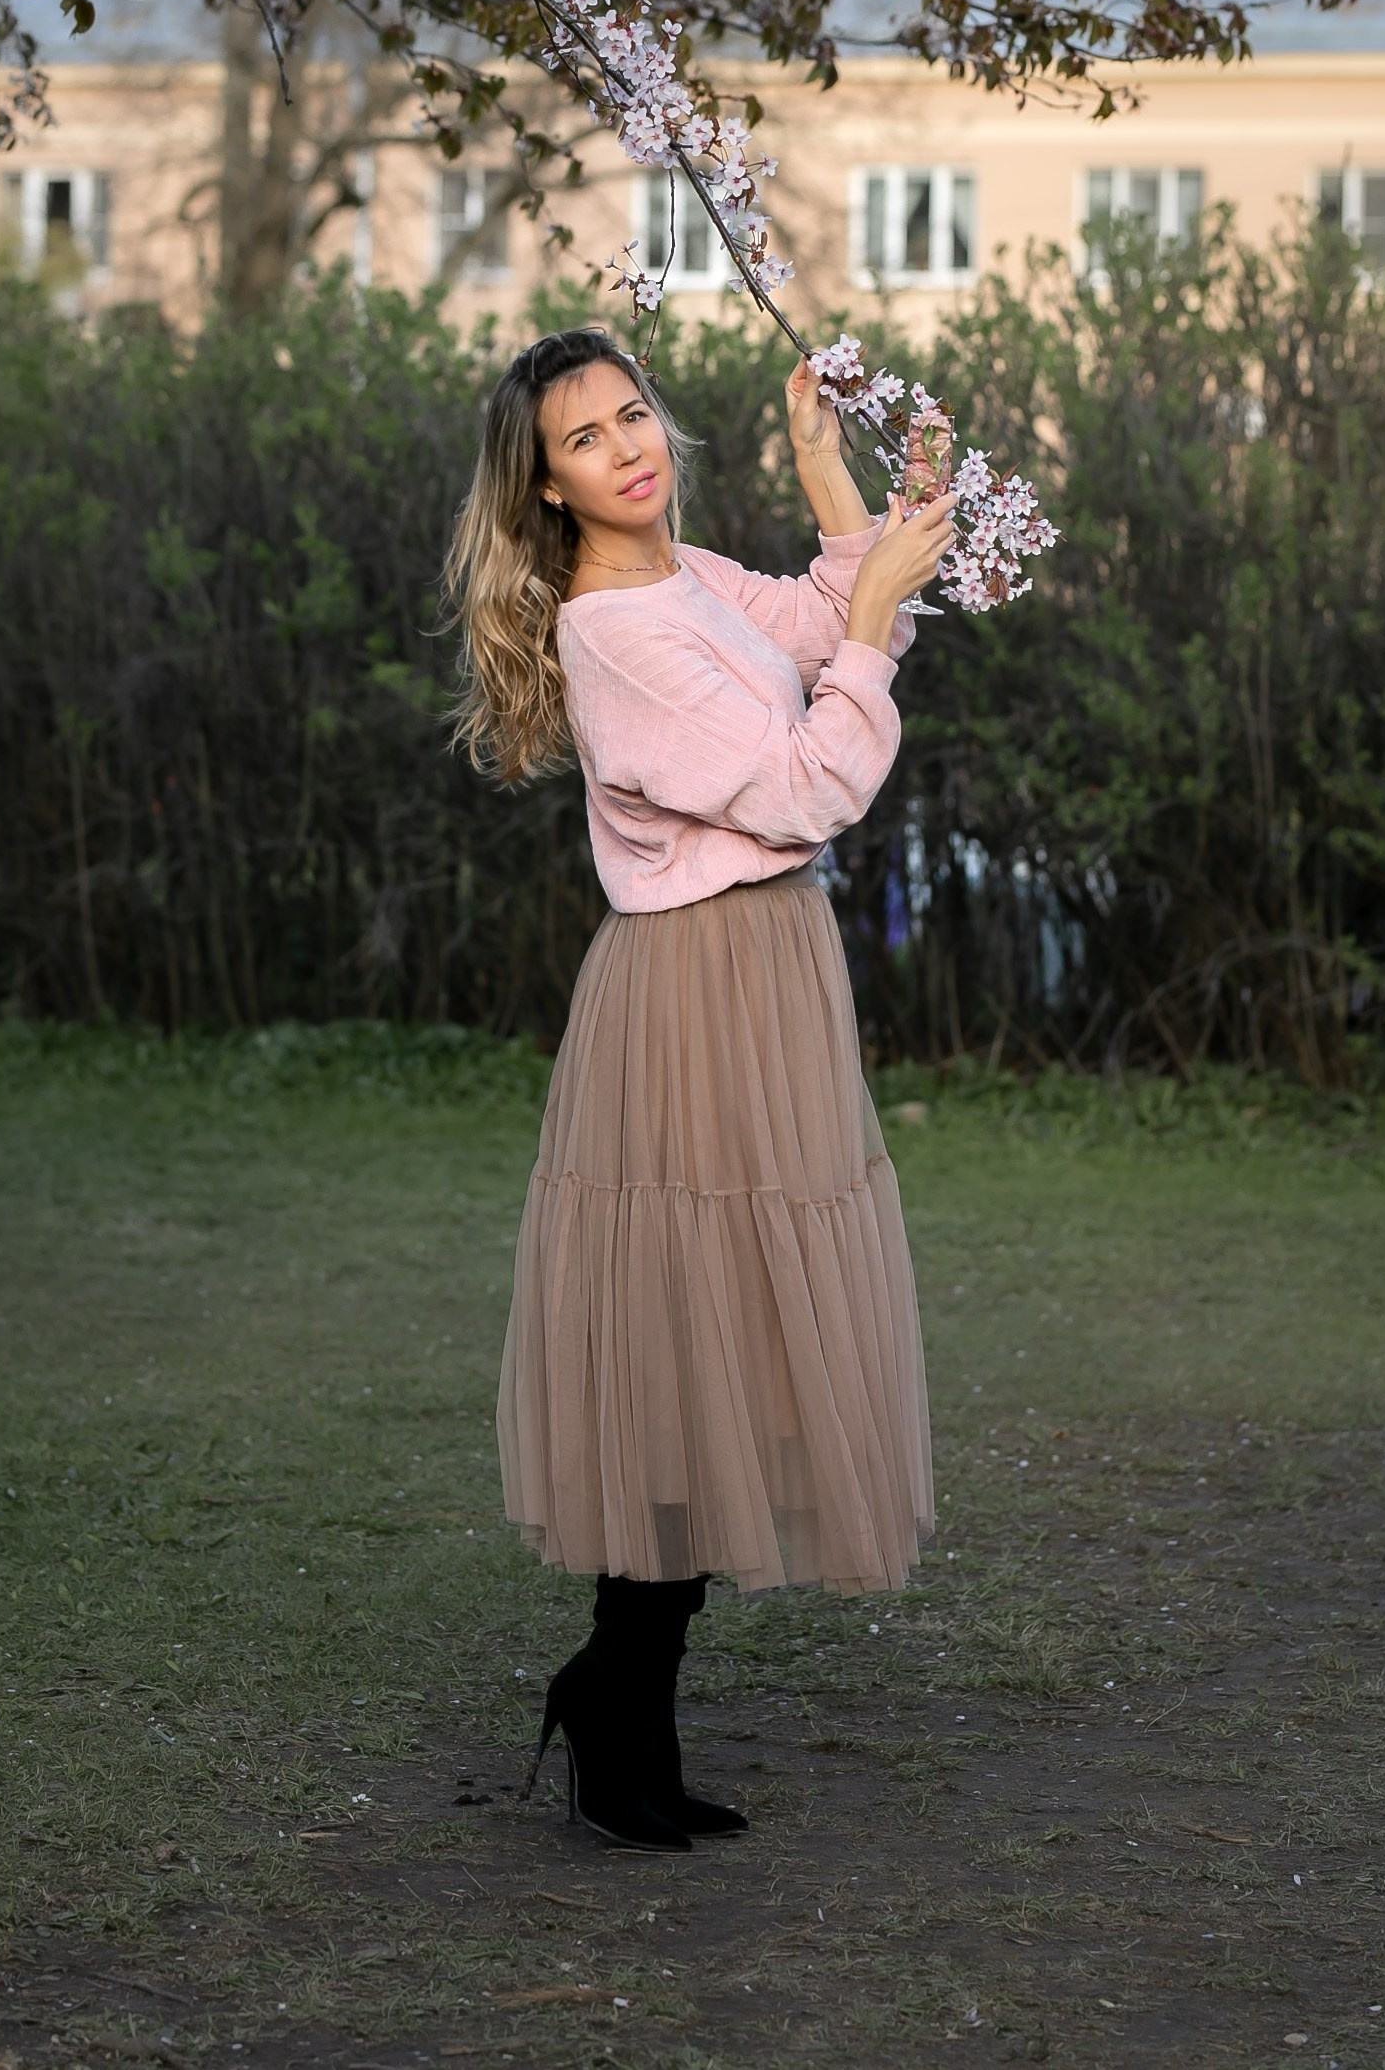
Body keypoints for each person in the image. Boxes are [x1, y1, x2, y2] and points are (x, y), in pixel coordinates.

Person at [446, 324, 949, 1850]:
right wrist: (866, 622)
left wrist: (824, 470)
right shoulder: (612, 632)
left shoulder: (678, 576)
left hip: (766, 975)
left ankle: (618, 1694)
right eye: (587, 437)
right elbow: (807, 774)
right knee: (691, 1339)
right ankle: (620, 1698)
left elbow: (811, 623)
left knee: (728, 1343)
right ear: (545, 489)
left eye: (633, 412)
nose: (628, 445)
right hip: (693, 996)